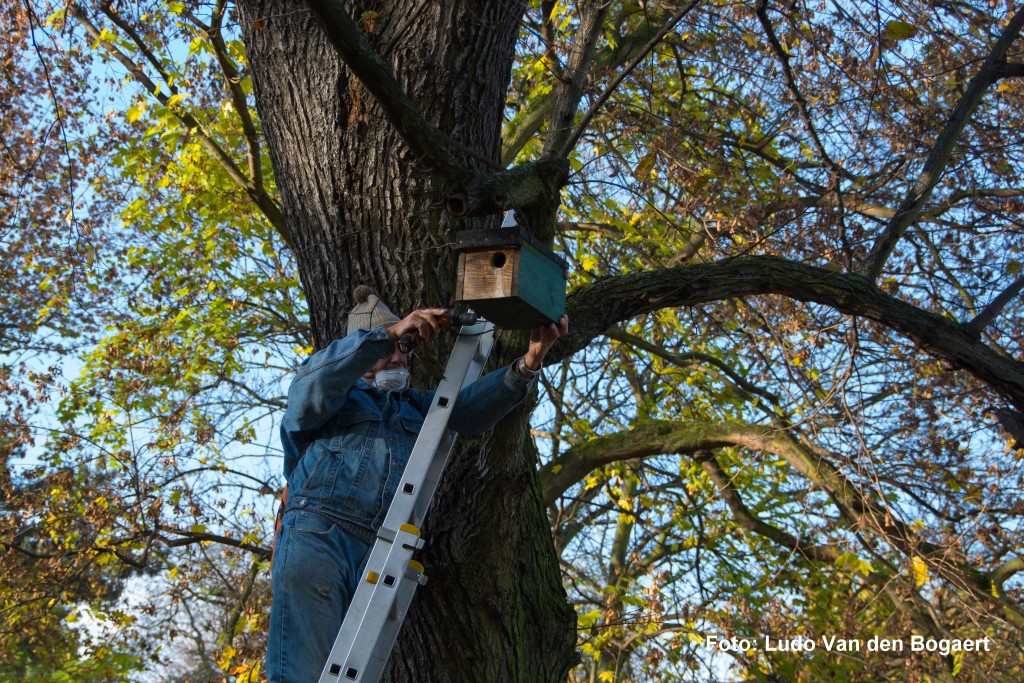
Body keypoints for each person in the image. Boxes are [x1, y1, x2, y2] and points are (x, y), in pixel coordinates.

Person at [266, 285, 568, 682]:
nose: (397, 357)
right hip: (318, 534)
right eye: (388, 349)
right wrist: (387, 336)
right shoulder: (335, 397)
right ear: (361, 353)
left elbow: (467, 410)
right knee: (302, 673)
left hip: (377, 549)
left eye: (403, 350)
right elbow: (313, 384)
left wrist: (528, 363)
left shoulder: (416, 407)